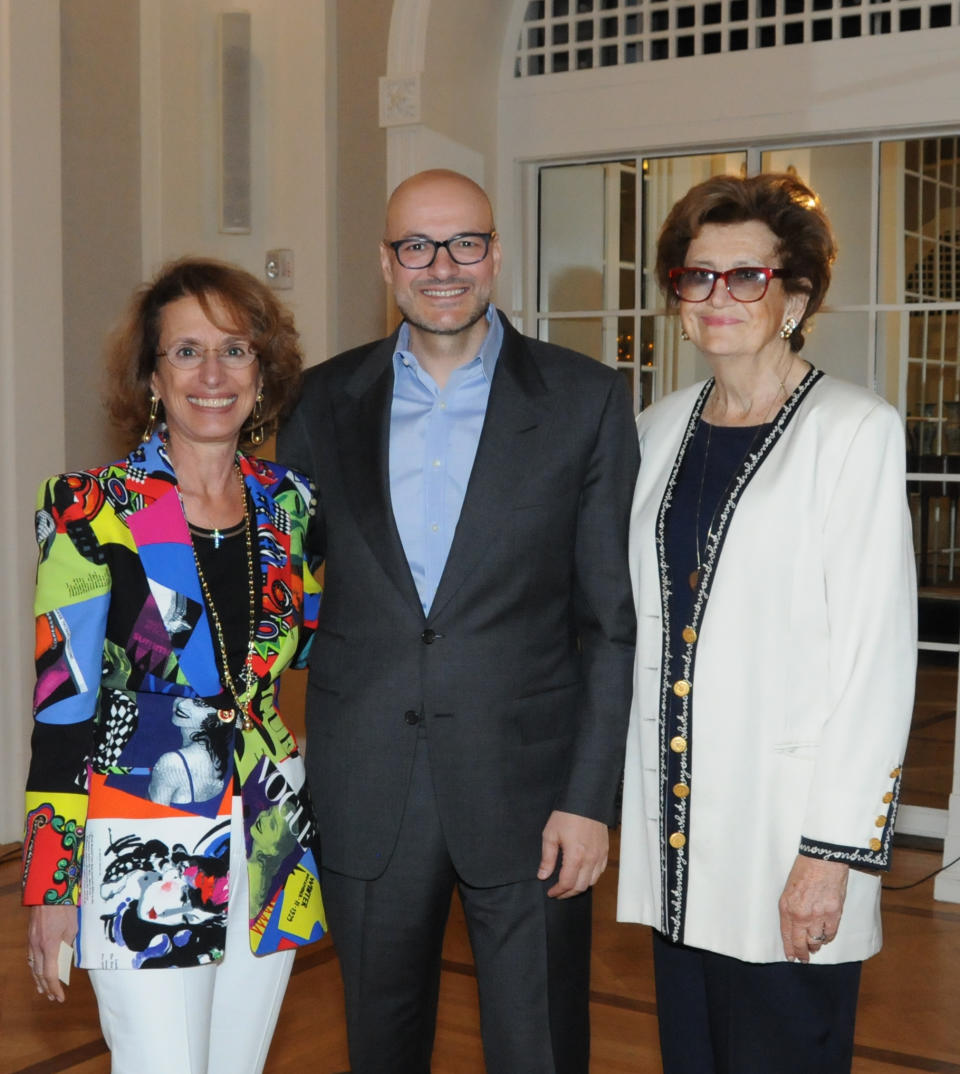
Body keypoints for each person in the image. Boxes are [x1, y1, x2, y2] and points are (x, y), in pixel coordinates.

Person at [277, 168, 638, 1074]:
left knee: (539, 1047)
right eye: (417, 246)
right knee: (380, 1047)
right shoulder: (319, 402)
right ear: (387, 264)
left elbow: (609, 623)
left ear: (497, 254)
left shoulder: (586, 399)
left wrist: (590, 801)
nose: (442, 266)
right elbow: (285, 586)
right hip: (367, 786)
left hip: (531, 795)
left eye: (464, 243)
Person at [616, 173, 917, 1074]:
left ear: (794, 292)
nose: (718, 298)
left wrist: (830, 856)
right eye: (695, 275)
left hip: (787, 839)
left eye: (746, 275)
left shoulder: (855, 430)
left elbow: (875, 659)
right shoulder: (656, 430)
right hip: (683, 836)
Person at [22, 258, 326, 1074]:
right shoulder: (88, 509)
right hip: (140, 832)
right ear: (152, 375)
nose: (213, 374)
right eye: (186, 351)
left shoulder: (292, 506)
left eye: (235, 349)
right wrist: (51, 886)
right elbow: (63, 709)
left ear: (263, 372)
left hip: (268, 827)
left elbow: (336, 654)